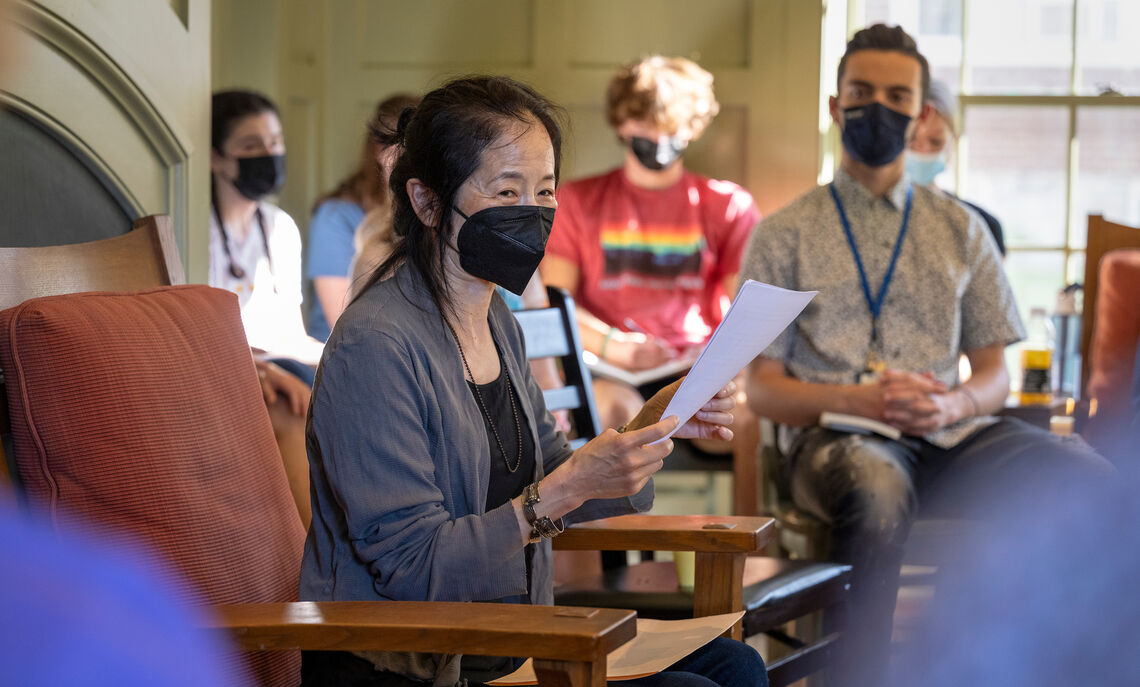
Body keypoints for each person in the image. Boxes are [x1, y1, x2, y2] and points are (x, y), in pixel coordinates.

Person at [300, 75, 765, 687]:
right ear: (427, 201)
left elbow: (550, 466)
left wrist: (656, 425)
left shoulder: (495, 315)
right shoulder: (376, 345)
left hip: (506, 641)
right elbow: (412, 569)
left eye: (545, 191)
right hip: (413, 663)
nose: (534, 213)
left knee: (734, 664)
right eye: (507, 190)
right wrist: (564, 490)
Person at [739, 24, 1109, 687]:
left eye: (896, 94)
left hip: (953, 428)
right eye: (860, 92)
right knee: (877, 493)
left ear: (921, 112)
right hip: (835, 441)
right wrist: (854, 399)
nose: (876, 107)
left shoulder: (962, 228)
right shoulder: (782, 233)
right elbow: (762, 386)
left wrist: (958, 398)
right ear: (834, 105)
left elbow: (993, 373)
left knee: (1087, 478)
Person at [541, 55, 760, 434]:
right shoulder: (576, 201)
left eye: (670, 127)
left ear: (693, 128)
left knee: (736, 421)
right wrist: (615, 346)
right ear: (621, 123)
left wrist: (720, 366)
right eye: (645, 124)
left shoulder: (729, 206)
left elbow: (744, 311)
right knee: (622, 414)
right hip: (607, 368)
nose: (658, 139)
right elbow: (555, 299)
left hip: (694, 368)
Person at [209, 89, 318, 525]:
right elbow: (200, 336)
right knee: (292, 404)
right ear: (217, 158)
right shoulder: (196, 227)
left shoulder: (279, 228)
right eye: (251, 146)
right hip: (225, 365)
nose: (268, 154)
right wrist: (263, 368)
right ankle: (317, 563)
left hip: (277, 360)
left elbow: (290, 335)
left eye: (274, 143)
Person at [308, 93, 419, 337]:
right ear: (378, 152)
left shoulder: (429, 219)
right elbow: (345, 323)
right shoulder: (336, 216)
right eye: (394, 145)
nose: (404, 155)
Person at [905, 79, 1006, 255]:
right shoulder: (867, 220)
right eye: (912, 138)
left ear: (954, 142)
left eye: (935, 141)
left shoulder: (983, 227)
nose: (923, 150)